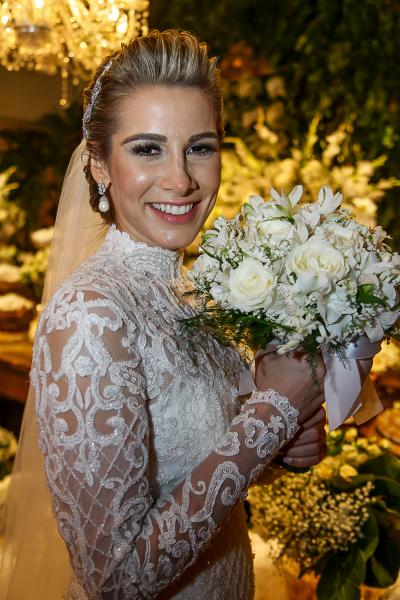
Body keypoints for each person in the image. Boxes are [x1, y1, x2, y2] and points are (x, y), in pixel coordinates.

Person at [1, 30, 327, 599]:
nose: (181, 179)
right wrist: (271, 416)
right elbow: (115, 581)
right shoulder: (89, 316)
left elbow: (197, 468)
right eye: (147, 149)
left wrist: (281, 449)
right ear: (100, 164)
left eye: (200, 147)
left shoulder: (191, 292)